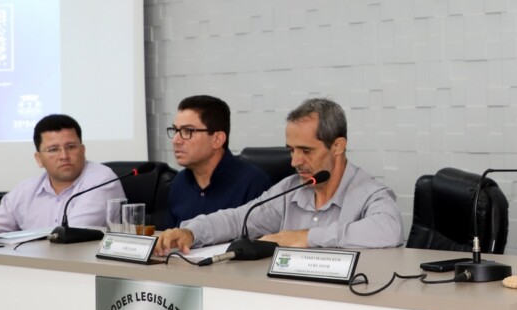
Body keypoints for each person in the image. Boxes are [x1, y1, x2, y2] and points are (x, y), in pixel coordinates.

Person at [155, 98, 402, 253]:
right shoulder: (289, 189)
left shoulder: (369, 192)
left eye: (306, 150)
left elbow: (389, 230)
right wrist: (192, 232)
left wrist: (307, 237)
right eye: (291, 150)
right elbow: (238, 219)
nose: (295, 161)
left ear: (338, 146)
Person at [0, 114, 126, 232]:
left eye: (71, 147)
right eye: (53, 150)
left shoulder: (101, 180)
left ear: (83, 151)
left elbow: (71, 235)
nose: (64, 156)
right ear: (39, 159)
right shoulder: (25, 190)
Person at [157, 95, 271, 229]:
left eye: (187, 131)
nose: (176, 140)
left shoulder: (253, 183)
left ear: (217, 139)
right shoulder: (179, 182)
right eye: (175, 130)